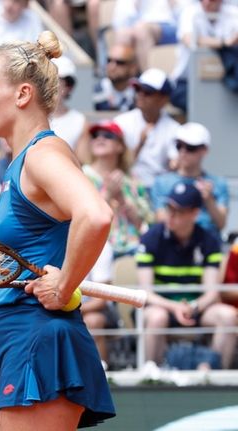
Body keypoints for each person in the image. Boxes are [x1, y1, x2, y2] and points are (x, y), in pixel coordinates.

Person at [0, 32, 116, 430]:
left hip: (40, 342)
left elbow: (95, 215)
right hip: (20, 350)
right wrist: (2, 384)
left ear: (22, 94)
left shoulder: (43, 154)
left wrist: (64, 287)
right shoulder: (21, 163)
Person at [136, 182, 237, 370]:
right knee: (157, 318)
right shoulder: (150, 238)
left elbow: (211, 292)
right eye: (169, 208)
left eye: (179, 211)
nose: (171, 215)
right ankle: (152, 375)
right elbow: (146, 292)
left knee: (229, 316)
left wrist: (193, 307)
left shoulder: (209, 241)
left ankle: (214, 375)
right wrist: (174, 307)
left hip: (196, 309)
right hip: (161, 307)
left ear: (194, 213)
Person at [83, 120, 153, 258]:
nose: (100, 138)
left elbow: (144, 224)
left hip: (132, 248)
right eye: (96, 135)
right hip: (95, 247)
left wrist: (122, 200)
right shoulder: (81, 176)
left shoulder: (132, 180)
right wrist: (108, 194)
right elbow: (83, 219)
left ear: (120, 146)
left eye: (108, 135)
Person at [150, 122, 228, 240]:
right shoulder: (161, 182)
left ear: (204, 150)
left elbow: (221, 224)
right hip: (173, 247)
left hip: (208, 246)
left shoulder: (218, 183)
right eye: (179, 146)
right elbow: (162, 220)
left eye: (190, 147)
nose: (183, 151)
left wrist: (209, 199)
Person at [113, 68, 180, 190]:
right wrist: (140, 143)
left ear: (164, 99)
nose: (141, 95)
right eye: (138, 89)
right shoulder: (121, 122)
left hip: (160, 189)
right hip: (125, 185)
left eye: (148, 92)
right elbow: (118, 165)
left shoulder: (174, 129)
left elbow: (175, 165)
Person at [112, 0, 180, 70]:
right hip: (140, 24)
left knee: (141, 29)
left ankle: (145, 77)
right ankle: (121, 79)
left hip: (172, 25)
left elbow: (183, 12)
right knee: (123, 34)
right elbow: (122, 20)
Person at [49, 56, 89, 159]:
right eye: (45, 78)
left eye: (55, 79)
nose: (48, 84)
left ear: (68, 87)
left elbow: (82, 162)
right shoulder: (30, 114)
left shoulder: (80, 121)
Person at [93, 43, 139, 112]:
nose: (112, 66)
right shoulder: (94, 92)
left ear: (133, 68)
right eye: (109, 61)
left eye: (120, 62)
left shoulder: (142, 92)